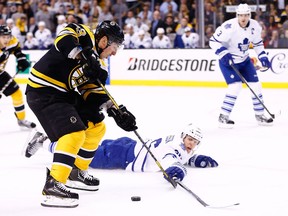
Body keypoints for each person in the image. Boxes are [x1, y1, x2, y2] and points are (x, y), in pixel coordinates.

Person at [25, 20, 137, 208]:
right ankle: (53, 184)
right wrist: (84, 54)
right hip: (42, 91)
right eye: (115, 46)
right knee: (74, 134)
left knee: (96, 125)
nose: (115, 52)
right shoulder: (83, 33)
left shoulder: (100, 65)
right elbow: (63, 39)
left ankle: (75, 171)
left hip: (63, 94)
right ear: (103, 41)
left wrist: (115, 110)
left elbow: (91, 93)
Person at [25, 123, 218, 183]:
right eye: (190, 140)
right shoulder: (174, 149)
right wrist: (178, 171)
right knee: (78, 157)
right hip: (122, 156)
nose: (192, 144)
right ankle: (45, 142)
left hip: (128, 147)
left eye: (195, 142)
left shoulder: (180, 144)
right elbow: (171, 161)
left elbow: (183, 156)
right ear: (184, 136)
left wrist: (196, 159)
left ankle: (56, 139)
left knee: (88, 148)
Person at [209, 3, 273, 129]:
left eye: (245, 15)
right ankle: (223, 117)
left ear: (249, 15)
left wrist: (263, 56)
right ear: (237, 15)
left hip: (244, 61)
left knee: (256, 86)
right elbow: (213, 41)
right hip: (229, 62)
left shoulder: (255, 26)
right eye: (240, 15)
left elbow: (258, 43)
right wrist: (223, 52)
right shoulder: (228, 27)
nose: (243, 18)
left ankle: (260, 115)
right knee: (235, 87)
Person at [0, 25, 36, 129]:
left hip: (0, 73)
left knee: (17, 94)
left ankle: (21, 119)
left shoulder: (12, 41)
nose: (6, 40)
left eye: (8, 37)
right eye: (3, 37)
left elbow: (17, 50)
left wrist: (21, 58)